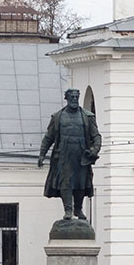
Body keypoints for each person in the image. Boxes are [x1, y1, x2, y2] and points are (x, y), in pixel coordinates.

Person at [37, 88, 102, 221]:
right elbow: (49, 137)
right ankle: (68, 209)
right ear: (66, 98)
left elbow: (96, 136)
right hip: (63, 155)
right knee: (65, 183)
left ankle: (78, 208)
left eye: (76, 97)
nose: (74, 100)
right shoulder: (58, 117)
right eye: (71, 97)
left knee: (80, 183)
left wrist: (94, 150)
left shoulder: (87, 116)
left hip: (81, 155)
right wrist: (42, 154)